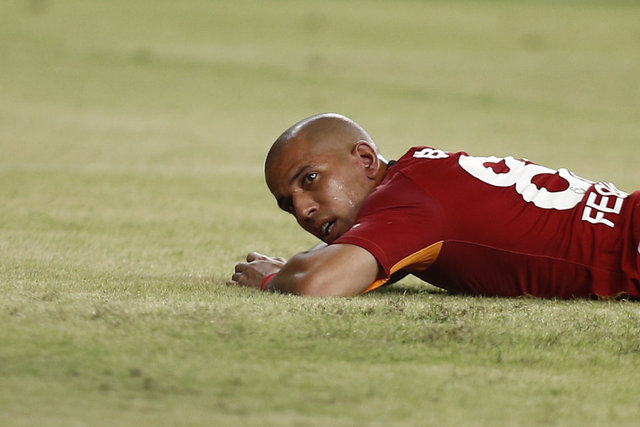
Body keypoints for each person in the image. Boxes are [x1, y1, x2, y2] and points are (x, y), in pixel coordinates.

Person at [228, 113, 640, 298]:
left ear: (365, 160)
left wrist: (272, 279)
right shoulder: (417, 181)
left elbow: (320, 284)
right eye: (289, 205)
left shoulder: (407, 204)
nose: (303, 210)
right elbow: (347, 262)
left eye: (310, 179)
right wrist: (303, 264)